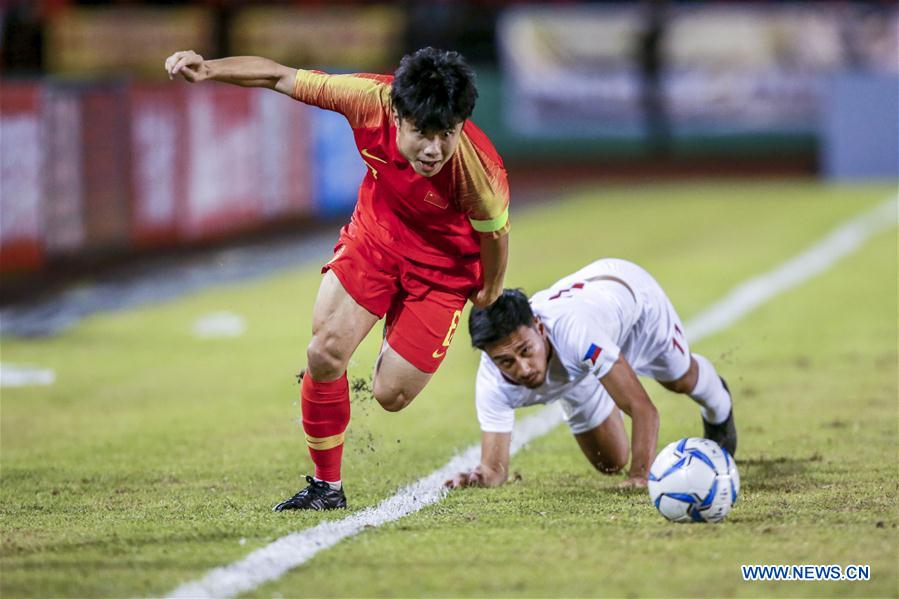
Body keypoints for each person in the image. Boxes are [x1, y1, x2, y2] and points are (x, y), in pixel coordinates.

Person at [164, 48, 510, 510]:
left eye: (446, 135)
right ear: (396, 114)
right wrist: (209, 69)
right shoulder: (366, 99)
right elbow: (278, 76)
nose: (433, 149)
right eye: (421, 134)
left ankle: (400, 336)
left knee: (391, 394)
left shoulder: (480, 173)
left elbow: (496, 235)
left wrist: (491, 288)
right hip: (377, 238)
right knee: (324, 353)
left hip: (444, 270)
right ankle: (327, 487)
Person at [447, 258, 736, 490]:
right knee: (611, 462)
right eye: (505, 361)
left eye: (525, 351)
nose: (523, 369)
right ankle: (600, 373)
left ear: (540, 327)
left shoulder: (577, 332)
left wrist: (640, 475)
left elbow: (643, 409)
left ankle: (719, 405)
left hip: (633, 302)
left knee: (679, 378)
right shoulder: (492, 384)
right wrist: (480, 477)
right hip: (580, 359)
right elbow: (495, 471)